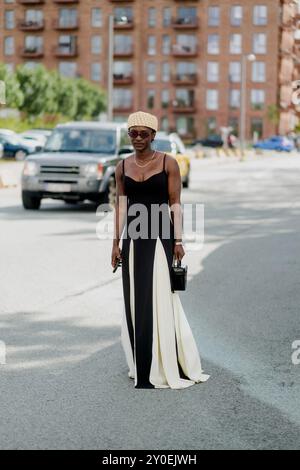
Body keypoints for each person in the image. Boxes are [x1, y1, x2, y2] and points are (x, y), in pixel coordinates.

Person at [111, 110, 210, 389]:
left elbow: (176, 203)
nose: (138, 138)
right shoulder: (122, 166)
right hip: (133, 237)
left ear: (154, 135)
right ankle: (140, 362)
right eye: (133, 133)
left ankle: (164, 361)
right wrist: (115, 243)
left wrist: (178, 240)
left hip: (160, 237)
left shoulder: (169, 163)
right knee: (134, 296)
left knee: (159, 295)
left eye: (144, 133)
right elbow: (120, 207)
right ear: (129, 135)